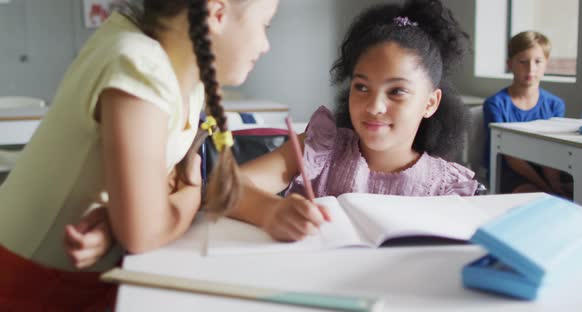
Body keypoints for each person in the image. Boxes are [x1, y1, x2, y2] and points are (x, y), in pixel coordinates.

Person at [67, 0, 477, 268]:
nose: (373, 106)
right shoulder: (323, 146)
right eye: (361, 86)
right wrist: (271, 211)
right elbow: (220, 190)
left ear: (431, 102)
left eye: (398, 92)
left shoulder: (450, 187)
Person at [0, 0, 278, 309]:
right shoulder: (140, 64)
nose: (265, 45)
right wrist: (193, 190)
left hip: (85, 281)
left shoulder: (186, 77)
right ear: (217, 14)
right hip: (22, 285)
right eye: (265, 25)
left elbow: (163, 184)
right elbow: (145, 232)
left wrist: (119, 217)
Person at [483, 31, 570, 197]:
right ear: (510, 64)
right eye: (523, 62)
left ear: (546, 64)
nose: (531, 68)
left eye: (538, 61)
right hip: (507, 171)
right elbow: (510, 157)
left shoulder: (555, 105)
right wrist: (546, 187)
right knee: (535, 198)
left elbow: (553, 151)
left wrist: (554, 185)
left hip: (545, 169)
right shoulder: (496, 104)